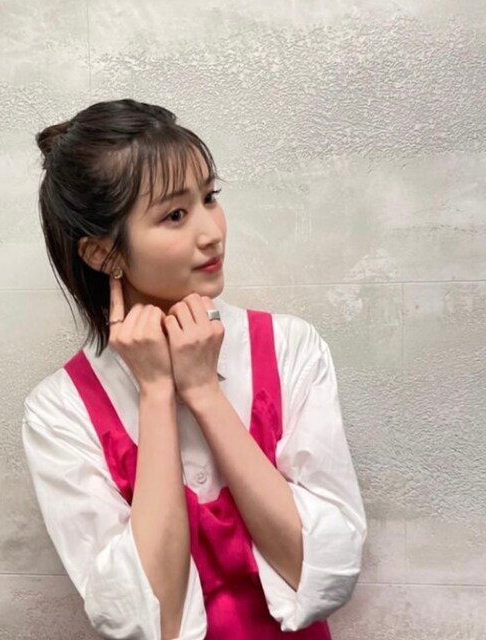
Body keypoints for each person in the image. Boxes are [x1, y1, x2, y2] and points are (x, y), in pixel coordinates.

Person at [22, 98, 367, 640]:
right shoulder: (61, 410)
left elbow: (326, 573)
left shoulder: (289, 348)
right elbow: (148, 621)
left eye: (209, 197)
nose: (211, 232)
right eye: (175, 215)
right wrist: (157, 391)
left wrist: (203, 390)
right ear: (103, 255)